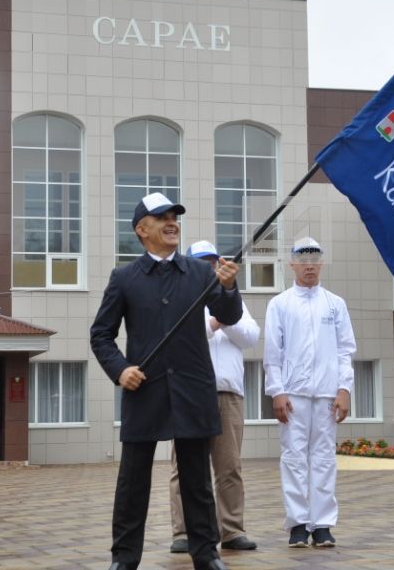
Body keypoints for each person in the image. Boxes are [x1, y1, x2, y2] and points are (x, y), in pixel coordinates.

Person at [90, 193, 243, 570]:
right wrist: (120, 369)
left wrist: (227, 286)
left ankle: (206, 554)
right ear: (142, 230)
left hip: (192, 390)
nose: (171, 222)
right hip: (145, 390)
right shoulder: (124, 278)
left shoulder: (200, 272)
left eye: (174, 216)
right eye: (161, 217)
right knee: (132, 482)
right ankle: (123, 559)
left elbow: (229, 314)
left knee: (196, 481)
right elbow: (101, 334)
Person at [263, 237, 356, 549]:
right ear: (292, 264)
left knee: (324, 458)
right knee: (293, 458)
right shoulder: (280, 304)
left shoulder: (335, 304)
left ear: (321, 264)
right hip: (293, 395)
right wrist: (277, 391)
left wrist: (344, 389)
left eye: (315, 261)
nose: (309, 266)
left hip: (328, 396)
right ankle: (298, 524)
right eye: (303, 261)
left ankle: (323, 525)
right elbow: (272, 354)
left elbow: (345, 351)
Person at [169, 240, 260, 554]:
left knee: (230, 467)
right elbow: (179, 335)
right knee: (184, 467)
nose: (207, 268)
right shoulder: (180, 295)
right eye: (200, 262)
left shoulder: (233, 296)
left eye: (211, 261)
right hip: (189, 395)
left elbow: (250, 336)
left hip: (228, 394)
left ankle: (232, 531)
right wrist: (217, 321)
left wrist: (223, 316)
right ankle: (183, 533)